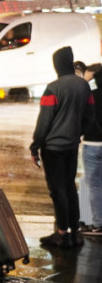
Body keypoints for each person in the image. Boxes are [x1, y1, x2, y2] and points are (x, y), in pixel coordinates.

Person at [30, 46, 95, 248]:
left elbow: (44, 121)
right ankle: (75, 231)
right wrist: (77, 133)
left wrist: (35, 145)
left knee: (57, 189)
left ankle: (61, 233)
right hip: (71, 145)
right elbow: (90, 116)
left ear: (57, 65)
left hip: (53, 148)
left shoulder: (53, 88)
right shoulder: (84, 87)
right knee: (69, 187)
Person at [80, 65, 102, 235]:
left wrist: (85, 81)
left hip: (92, 144)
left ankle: (98, 224)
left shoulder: (91, 95)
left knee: (94, 186)